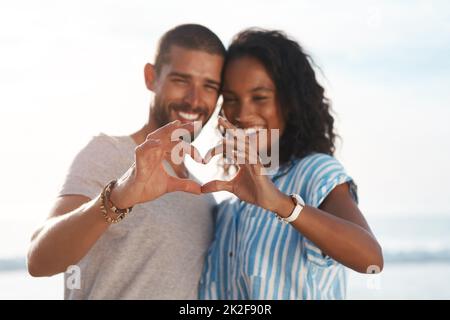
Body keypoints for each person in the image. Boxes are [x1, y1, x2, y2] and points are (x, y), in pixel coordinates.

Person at [27, 24, 225, 299]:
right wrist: (117, 197)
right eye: (181, 80)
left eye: (209, 86)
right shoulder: (107, 153)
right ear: (151, 77)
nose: (194, 99)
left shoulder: (205, 198)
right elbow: (40, 260)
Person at [199, 29, 383, 300]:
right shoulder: (227, 211)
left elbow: (371, 259)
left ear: (289, 102)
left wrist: (280, 203)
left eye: (259, 97)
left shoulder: (316, 172)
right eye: (232, 100)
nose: (242, 113)